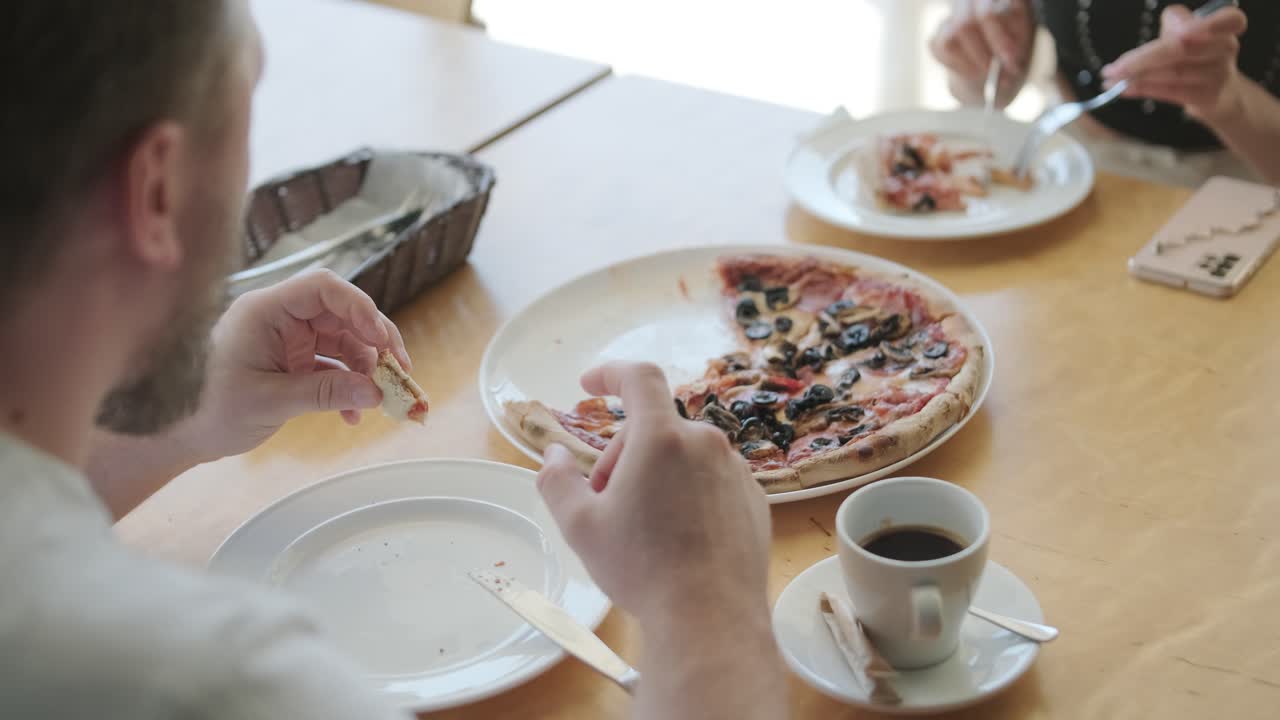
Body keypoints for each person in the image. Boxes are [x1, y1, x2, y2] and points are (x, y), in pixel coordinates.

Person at [0, 2, 788, 719]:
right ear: (159, 191)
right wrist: (705, 601)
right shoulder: (221, 681)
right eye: (245, 116)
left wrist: (178, 415)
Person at [930, 0, 1280, 187]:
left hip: (1245, 191)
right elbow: (979, 92)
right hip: (1070, 169)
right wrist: (975, 53)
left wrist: (1234, 107)